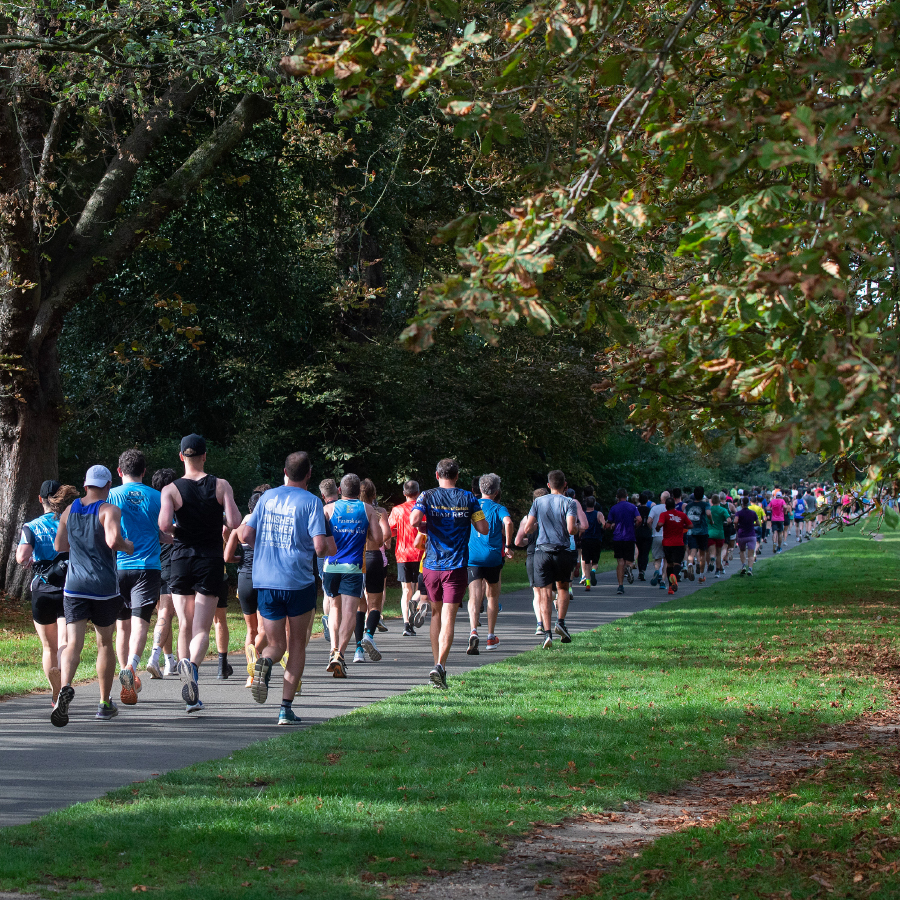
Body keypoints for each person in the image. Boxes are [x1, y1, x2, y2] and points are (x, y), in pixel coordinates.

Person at [240, 452, 333, 724]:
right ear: (309, 474)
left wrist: (266, 549)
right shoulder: (312, 502)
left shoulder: (266, 497)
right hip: (298, 582)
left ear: (284, 471)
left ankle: (265, 661)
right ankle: (285, 709)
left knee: (276, 645)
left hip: (267, 581)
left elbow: (245, 534)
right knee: (297, 645)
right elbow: (320, 547)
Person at [158, 434, 241, 714]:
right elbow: (234, 521)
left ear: (181, 456)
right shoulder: (221, 485)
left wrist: (180, 530)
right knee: (202, 629)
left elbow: (164, 525)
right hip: (209, 560)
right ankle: (192, 669)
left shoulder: (170, 489)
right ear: (205, 456)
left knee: (184, 624)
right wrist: (215, 520)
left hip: (181, 559)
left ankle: (189, 693)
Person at [51, 465, 135, 726]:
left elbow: (59, 545)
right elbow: (113, 540)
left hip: (74, 587)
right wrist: (127, 546)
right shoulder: (109, 510)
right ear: (108, 485)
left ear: (85, 485)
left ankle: (65, 689)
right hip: (103, 588)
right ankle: (104, 703)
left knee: (73, 644)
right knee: (105, 643)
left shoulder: (70, 509)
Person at [410, 459, 488, 687]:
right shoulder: (468, 498)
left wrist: (429, 524)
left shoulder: (427, 496)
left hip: (432, 566)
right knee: (449, 617)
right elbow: (483, 529)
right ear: (457, 475)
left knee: (436, 614)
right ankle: (440, 666)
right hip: (456, 566)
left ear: (437, 475)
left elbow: (414, 520)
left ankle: (437, 664)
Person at [108, 449, 169, 706]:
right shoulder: (157, 497)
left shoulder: (111, 495)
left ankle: (125, 672)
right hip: (147, 567)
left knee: (122, 625)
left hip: (118, 567)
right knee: (140, 623)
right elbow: (165, 532)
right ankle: (131, 667)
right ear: (144, 471)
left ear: (119, 471)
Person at [16, 480, 79, 704]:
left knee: (48, 646)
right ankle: (63, 682)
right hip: (69, 588)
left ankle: (54, 691)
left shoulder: (31, 526)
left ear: (40, 499)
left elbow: (22, 556)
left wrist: (29, 560)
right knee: (64, 642)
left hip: (42, 589)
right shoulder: (71, 522)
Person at [322, 474, 384, 677]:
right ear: (359, 491)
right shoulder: (367, 509)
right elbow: (379, 539)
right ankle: (340, 653)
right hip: (354, 568)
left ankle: (333, 648)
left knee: (334, 608)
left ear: (340, 490)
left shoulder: (328, 509)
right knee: (350, 612)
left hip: (331, 566)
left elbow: (319, 538)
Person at [522, 471, 577, 647]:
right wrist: (577, 528)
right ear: (565, 484)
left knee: (544, 593)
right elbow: (571, 529)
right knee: (563, 588)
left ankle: (547, 633)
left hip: (542, 552)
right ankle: (560, 622)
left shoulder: (538, 502)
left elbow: (528, 528)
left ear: (548, 485)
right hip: (562, 551)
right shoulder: (569, 502)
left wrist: (536, 527)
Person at [225, 485, 271, 688]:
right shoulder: (267, 528)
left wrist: (241, 559)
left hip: (244, 579)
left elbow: (227, 557)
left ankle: (251, 675)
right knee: (264, 629)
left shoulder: (239, 530)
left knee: (250, 629)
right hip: (263, 579)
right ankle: (256, 655)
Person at [466, 473, 513, 653]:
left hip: (473, 557)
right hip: (493, 557)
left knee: (474, 596)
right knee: (492, 596)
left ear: (480, 488)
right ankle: (490, 636)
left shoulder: (472, 505)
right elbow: (508, 522)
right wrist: (508, 545)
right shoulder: (498, 507)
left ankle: (473, 630)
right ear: (496, 491)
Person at [353, 478, 392, 663]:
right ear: (374, 495)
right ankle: (369, 634)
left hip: (357, 558)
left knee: (359, 606)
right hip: (374, 557)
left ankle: (358, 650)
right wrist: (379, 541)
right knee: (375, 605)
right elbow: (387, 533)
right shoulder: (379, 511)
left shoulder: (355, 511)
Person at [146, 468, 179, 679]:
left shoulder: (150, 506)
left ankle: (169, 661)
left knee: (163, 614)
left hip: (151, 565)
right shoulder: (173, 508)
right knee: (167, 613)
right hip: (170, 565)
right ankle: (154, 657)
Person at [389, 479, 425, 637]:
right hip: (420, 553)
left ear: (404, 493)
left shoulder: (397, 510)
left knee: (406, 589)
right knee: (421, 588)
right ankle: (415, 607)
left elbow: (390, 531)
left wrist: (399, 532)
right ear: (418, 493)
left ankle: (406, 624)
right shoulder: (422, 509)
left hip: (403, 554)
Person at [515, 487, 549, 634]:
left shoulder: (527, 519)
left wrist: (529, 541)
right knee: (550, 591)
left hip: (533, 556)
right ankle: (552, 622)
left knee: (537, 593)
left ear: (534, 501)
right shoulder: (551, 517)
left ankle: (539, 623)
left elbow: (517, 542)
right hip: (548, 554)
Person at [605, 488, 641, 595]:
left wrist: (610, 527)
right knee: (629, 561)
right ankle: (629, 568)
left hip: (618, 537)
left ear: (617, 496)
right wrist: (635, 526)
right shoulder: (632, 507)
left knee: (620, 562)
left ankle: (620, 586)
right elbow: (639, 519)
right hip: (630, 536)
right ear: (627, 495)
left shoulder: (614, 508)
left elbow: (608, 524)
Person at [317, 478, 340, 641]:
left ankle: (327, 618)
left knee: (327, 592)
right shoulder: (344, 508)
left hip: (325, 555)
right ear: (338, 490)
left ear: (323, 495)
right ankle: (334, 622)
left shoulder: (323, 510)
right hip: (344, 554)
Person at [655, 498, 691, 593]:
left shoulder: (664, 514)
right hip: (679, 543)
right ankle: (675, 575)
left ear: (666, 506)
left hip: (667, 543)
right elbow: (690, 525)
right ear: (674, 505)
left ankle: (671, 588)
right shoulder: (682, 515)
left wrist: (657, 527)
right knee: (677, 563)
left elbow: (660, 523)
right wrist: (682, 526)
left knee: (669, 564)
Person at [683, 486, 711, 582]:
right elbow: (708, 513)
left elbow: (684, 516)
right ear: (702, 495)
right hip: (702, 531)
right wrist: (711, 520)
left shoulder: (688, 506)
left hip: (691, 531)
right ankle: (701, 576)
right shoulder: (705, 504)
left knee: (692, 550)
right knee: (702, 553)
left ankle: (690, 564)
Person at [579, 496, 605, 590]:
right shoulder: (598, 514)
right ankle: (593, 571)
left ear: (586, 504)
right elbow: (604, 524)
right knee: (595, 561)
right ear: (594, 504)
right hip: (596, 539)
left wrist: (580, 536)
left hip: (586, 540)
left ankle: (588, 583)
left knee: (586, 562)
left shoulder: (583, 515)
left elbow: (581, 528)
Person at [647, 491, 669, 589]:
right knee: (666, 559)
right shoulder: (670, 509)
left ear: (661, 498)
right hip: (667, 536)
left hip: (656, 535)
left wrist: (652, 529)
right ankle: (663, 581)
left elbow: (649, 521)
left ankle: (656, 571)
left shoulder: (655, 508)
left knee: (657, 558)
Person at [707, 493, 731, 578]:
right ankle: (717, 571)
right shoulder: (723, 510)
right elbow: (729, 520)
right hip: (720, 533)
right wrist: (726, 523)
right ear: (719, 501)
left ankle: (712, 559)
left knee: (712, 552)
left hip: (710, 533)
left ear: (711, 501)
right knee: (718, 553)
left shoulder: (709, 510)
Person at [735, 497, 759, 575]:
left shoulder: (738, 513)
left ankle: (743, 566)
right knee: (751, 554)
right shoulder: (753, 513)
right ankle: (750, 569)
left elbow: (735, 521)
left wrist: (736, 526)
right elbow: (758, 523)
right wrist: (752, 524)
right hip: (751, 535)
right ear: (748, 503)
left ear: (741, 504)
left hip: (741, 534)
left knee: (742, 551)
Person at [635, 492, 653, 580]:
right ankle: (643, 570)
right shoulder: (650, 510)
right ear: (647, 501)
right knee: (645, 553)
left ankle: (640, 570)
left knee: (639, 552)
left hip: (638, 533)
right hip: (647, 533)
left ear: (639, 500)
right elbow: (650, 521)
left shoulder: (636, 509)